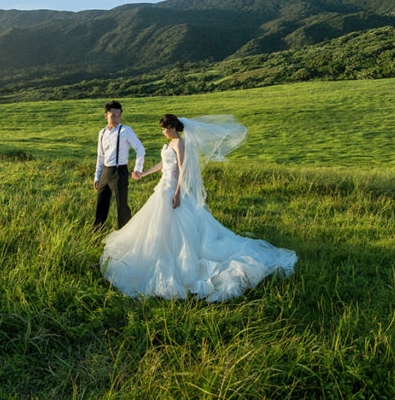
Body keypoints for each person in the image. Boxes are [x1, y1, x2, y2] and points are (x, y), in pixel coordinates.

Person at [100, 114, 297, 302]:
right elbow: (164, 164)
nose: (163, 133)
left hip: (172, 190)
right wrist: (144, 173)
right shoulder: (170, 143)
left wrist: (177, 193)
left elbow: (183, 169)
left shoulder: (180, 144)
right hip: (162, 187)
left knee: (176, 227)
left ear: (172, 128)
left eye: (164, 129)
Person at [93, 100, 145, 231]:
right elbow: (100, 156)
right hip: (106, 171)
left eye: (119, 115)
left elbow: (140, 149)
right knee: (101, 204)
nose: (116, 119)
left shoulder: (126, 130)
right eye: (113, 116)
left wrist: (137, 169)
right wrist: (97, 176)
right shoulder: (102, 133)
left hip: (119, 171)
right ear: (106, 116)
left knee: (121, 206)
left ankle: (125, 234)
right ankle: (96, 233)